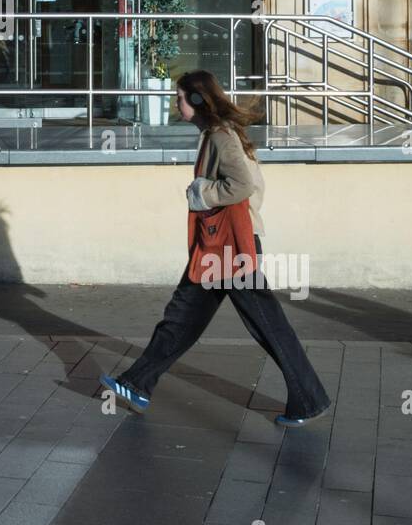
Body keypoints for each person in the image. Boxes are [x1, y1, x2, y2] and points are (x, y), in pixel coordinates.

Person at [100, 69, 331, 427]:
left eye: (179, 97)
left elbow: (242, 185)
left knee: (264, 324)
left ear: (195, 99)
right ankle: (137, 384)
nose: (175, 103)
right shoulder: (219, 132)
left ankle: (309, 399)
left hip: (229, 247)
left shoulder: (221, 135)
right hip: (225, 244)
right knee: (183, 319)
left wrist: (202, 194)